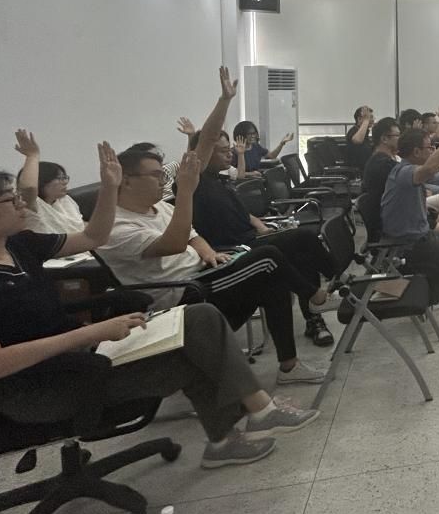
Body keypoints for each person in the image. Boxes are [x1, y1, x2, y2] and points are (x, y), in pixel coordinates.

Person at [0, 153, 318, 470]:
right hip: (35, 389)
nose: (23, 202)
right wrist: (91, 333)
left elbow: (94, 235)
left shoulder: (19, 246)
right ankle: (231, 435)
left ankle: (253, 416)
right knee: (194, 350)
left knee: (200, 319)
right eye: (10, 199)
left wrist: (108, 188)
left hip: (78, 357)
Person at [99, 68, 329, 385]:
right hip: (184, 294)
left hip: (204, 271)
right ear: (125, 181)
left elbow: (194, 232)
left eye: (162, 174)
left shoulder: (158, 207)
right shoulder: (118, 226)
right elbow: (175, 243)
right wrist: (186, 192)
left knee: (273, 280)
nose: (162, 180)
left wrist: (224, 100)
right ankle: (317, 296)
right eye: (155, 175)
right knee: (269, 258)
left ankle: (289, 367)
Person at [189, 129, 339, 348]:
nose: (229, 154)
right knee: (304, 237)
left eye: (229, 149)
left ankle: (315, 317)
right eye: (222, 151)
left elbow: (241, 213)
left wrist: (259, 224)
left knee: (302, 253)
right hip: (234, 249)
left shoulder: (221, 180)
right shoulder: (195, 184)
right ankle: (336, 284)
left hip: (250, 238)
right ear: (204, 153)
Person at [382, 122, 439, 302]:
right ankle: (422, 299)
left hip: (420, 233)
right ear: (416, 152)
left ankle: (422, 285)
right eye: (430, 148)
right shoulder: (405, 171)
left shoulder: (409, 169)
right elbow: (431, 168)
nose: (432, 151)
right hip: (407, 242)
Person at [14, 130, 84, 235]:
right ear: (41, 181)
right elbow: (29, 188)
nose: (65, 182)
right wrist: (32, 156)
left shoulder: (64, 201)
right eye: (60, 178)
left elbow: (81, 227)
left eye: (65, 177)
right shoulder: (32, 205)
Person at [344, 105, 374, 173]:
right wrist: (366, 121)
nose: (372, 120)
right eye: (370, 117)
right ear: (359, 119)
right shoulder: (353, 131)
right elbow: (357, 140)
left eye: (371, 117)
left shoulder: (365, 133)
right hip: (357, 171)